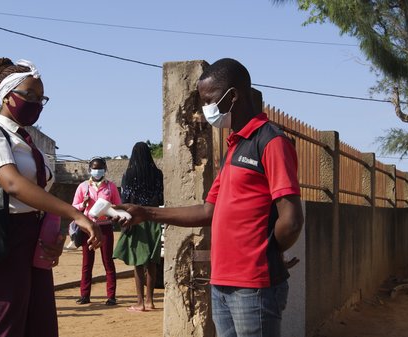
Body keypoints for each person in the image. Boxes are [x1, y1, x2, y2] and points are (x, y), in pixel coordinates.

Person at [117, 58, 304, 336]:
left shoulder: (271, 141)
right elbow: (208, 211)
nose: (206, 110)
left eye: (210, 100)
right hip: (222, 284)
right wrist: (147, 213)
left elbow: (290, 220)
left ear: (234, 95)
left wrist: (269, 253)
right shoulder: (235, 147)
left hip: (253, 286)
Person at [0, 57, 103, 337]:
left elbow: (42, 193)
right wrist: (75, 214)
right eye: (30, 95)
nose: (37, 103)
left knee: (40, 327)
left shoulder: (28, 143)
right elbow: (13, 184)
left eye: (42, 98)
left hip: (34, 239)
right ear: (6, 96)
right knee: (7, 327)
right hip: (5, 239)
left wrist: (53, 233)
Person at [113, 142, 164, 312]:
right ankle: (150, 300)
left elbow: (125, 199)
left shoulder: (129, 174)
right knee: (152, 263)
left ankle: (140, 302)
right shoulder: (158, 174)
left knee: (138, 263)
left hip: (136, 222)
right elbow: (161, 198)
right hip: (154, 220)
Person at [72, 157, 120, 306]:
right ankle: (85, 295)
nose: (96, 170)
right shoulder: (83, 187)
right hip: (88, 227)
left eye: (99, 168)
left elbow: (119, 206)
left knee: (108, 261)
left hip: (105, 226)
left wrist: (110, 208)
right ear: (89, 169)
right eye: (94, 167)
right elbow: (74, 208)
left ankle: (111, 296)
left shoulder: (111, 187)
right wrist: (83, 203)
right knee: (87, 262)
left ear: (105, 169)